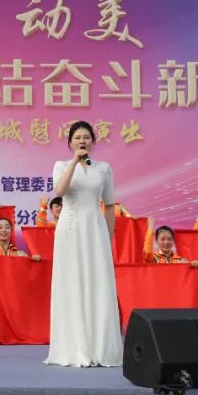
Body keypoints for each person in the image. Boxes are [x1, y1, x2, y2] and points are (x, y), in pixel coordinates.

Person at [45, 120, 122, 368]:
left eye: (86, 137)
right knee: (72, 281)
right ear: (70, 143)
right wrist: (73, 163)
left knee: (97, 282)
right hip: (69, 229)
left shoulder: (104, 168)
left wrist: (108, 235)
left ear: (93, 142)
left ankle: (99, 346)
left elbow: (109, 204)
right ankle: (73, 347)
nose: (82, 141)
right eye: (77, 137)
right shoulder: (61, 165)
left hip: (95, 230)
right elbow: (60, 191)